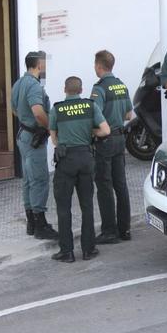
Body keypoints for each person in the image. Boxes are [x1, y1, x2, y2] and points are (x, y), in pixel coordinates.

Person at [49, 76, 111, 263]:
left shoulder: (57, 109)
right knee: (87, 206)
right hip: (86, 158)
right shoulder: (90, 106)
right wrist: (91, 133)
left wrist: (64, 144)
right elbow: (106, 130)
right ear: (81, 89)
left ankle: (66, 252)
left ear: (65, 89)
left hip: (66, 160)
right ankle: (88, 249)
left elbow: (53, 137)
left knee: (63, 207)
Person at [10, 50, 59, 239]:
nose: (46, 66)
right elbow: (38, 112)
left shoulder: (19, 83)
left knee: (28, 181)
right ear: (39, 64)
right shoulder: (34, 86)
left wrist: (25, 119)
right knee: (39, 180)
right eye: (45, 63)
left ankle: (31, 223)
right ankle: (40, 225)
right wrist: (49, 128)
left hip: (24, 135)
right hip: (33, 138)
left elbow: (14, 109)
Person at [90, 50, 133, 244]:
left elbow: (94, 115)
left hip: (105, 142)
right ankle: (125, 229)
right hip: (120, 139)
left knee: (105, 186)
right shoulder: (121, 86)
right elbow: (128, 115)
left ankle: (109, 231)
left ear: (99, 66)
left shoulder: (99, 89)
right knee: (120, 185)